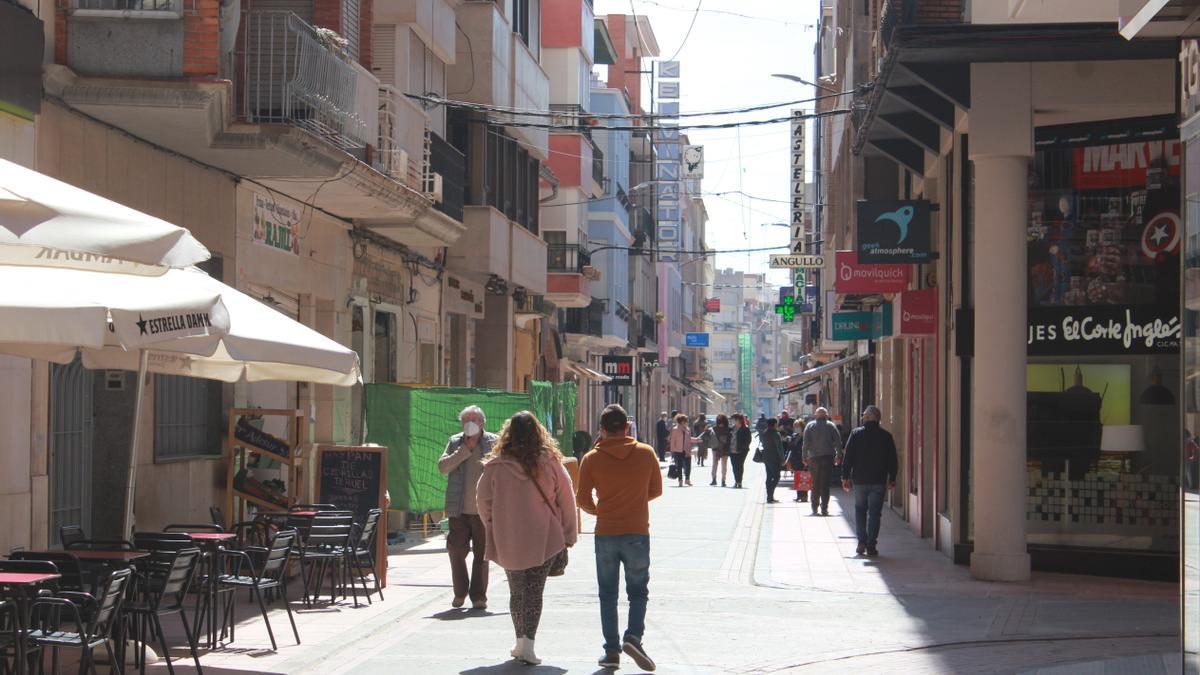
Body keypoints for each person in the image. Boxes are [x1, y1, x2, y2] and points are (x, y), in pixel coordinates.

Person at [476, 411, 578, 665]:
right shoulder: (551, 461)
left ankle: (520, 642)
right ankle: (529, 645)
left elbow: (482, 500)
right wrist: (569, 533)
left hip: (508, 536)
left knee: (516, 591)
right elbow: (567, 498)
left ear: (508, 434)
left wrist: (493, 523)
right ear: (537, 432)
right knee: (534, 592)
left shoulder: (496, 465)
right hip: (544, 536)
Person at [576, 404, 662, 671]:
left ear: (601, 430)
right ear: (627, 427)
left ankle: (611, 651)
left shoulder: (591, 458)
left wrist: (602, 509)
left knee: (607, 594)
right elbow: (656, 490)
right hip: (637, 531)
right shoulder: (646, 453)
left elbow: (582, 499)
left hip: (605, 533)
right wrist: (633, 501)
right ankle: (633, 636)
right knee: (638, 591)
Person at [437, 405, 494, 609]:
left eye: (474, 420)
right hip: (458, 509)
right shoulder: (455, 442)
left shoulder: (493, 442)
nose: (470, 424)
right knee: (456, 551)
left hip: (484, 510)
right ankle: (460, 592)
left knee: (482, 555)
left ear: (482, 423)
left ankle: (479, 596)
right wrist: (465, 450)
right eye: (466, 420)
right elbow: (443, 467)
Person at [841, 405, 899, 557]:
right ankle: (871, 545)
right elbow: (892, 459)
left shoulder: (856, 434)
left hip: (860, 479)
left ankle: (861, 541)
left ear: (867, 418)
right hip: (878, 480)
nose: (862, 417)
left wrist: (845, 476)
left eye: (863, 415)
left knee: (860, 510)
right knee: (875, 513)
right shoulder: (886, 436)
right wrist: (892, 478)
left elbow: (848, 457)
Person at [802, 407, 843, 517]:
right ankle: (824, 508)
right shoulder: (831, 425)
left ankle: (814, 508)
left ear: (816, 415)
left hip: (814, 458)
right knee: (825, 484)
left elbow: (805, 443)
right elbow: (838, 442)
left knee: (815, 483)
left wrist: (804, 456)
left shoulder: (810, 426)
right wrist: (839, 455)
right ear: (826, 415)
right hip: (827, 457)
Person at [667, 413, 700, 487]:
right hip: (678, 450)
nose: (687, 422)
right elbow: (673, 441)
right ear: (682, 422)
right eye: (686, 421)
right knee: (679, 466)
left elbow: (689, 439)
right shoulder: (675, 429)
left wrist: (696, 440)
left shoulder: (688, 429)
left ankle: (687, 480)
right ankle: (680, 480)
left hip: (687, 450)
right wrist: (672, 451)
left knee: (688, 465)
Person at [760, 418, 786, 503]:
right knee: (776, 476)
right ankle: (770, 494)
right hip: (774, 458)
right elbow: (779, 448)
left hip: (766, 457)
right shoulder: (775, 434)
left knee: (769, 476)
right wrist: (782, 459)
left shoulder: (764, 433)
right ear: (775, 424)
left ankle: (769, 496)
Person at [784, 426, 806, 503]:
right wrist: (787, 459)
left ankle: (804, 496)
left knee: (803, 477)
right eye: (796, 426)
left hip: (802, 458)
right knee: (797, 477)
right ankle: (798, 495)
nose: (797, 428)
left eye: (798, 425)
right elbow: (789, 448)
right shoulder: (793, 436)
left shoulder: (805, 435)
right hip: (795, 459)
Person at [710, 414, 732, 487]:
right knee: (724, 464)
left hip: (715, 448)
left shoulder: (714, 428)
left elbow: (711, 438)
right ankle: (723, 480)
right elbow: (730, 440)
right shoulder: (728, 429)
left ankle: (714, 479)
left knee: (715, 463)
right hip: (725, 448)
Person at [730, 413, 751, 488]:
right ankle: (736, 481)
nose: (733, 421)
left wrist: (743, 447)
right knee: (734, 466)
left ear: (739, 420)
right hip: (732, 450)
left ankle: (739, 481)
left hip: (742, 451)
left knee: (739, 465)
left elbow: (748, 440)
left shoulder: (745, 429)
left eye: (734, 419)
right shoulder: (731, 429)